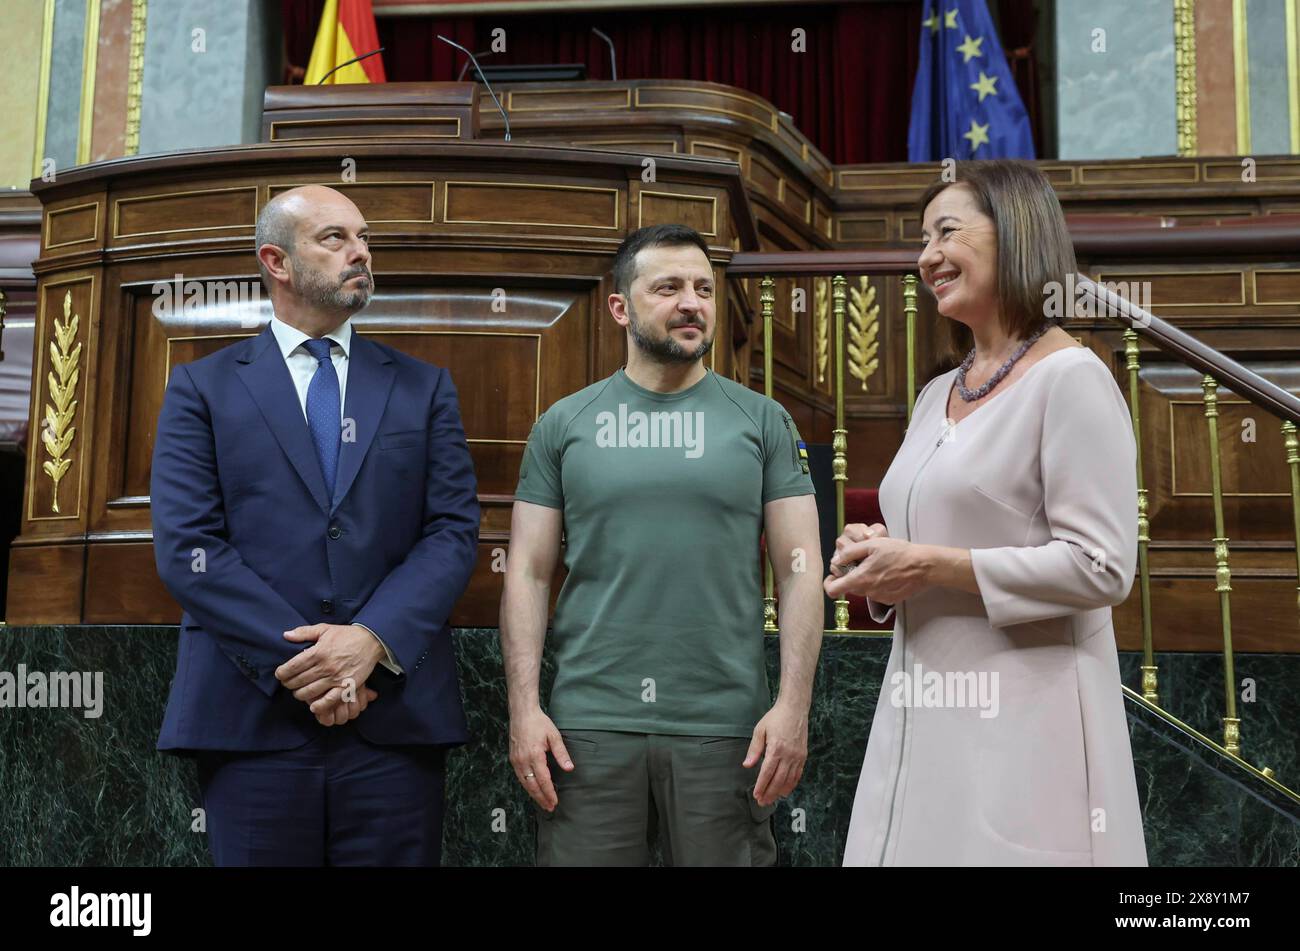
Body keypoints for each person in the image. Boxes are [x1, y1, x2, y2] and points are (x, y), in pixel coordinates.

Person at [826, 160, 1147, 866]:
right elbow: (928, 543)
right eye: (920, 240)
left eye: (947, 232)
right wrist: (879, 556)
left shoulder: (1074, 379)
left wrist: (932, 564)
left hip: (1027, 716)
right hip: (919, 706)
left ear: (1016, 234)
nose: (927, 257)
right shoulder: (935, 391)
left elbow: (1103, 567)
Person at [151, 185, 480, 866]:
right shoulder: (202, 389)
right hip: (253, 721)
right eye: (335, 238)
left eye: (364, 239)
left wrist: (369, 644)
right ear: (276, 260)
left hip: (393, 722)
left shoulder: (423, 387)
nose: (360, 252)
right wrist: (314, 667)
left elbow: (451, 533)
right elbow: (190, 550)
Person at [501, 224, 823, 866]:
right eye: (669, 287)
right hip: (586, 726)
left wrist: (792, 708)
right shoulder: (564, 424)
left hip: (726, 726)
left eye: (704, 288)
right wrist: (523, 710)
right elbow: (529, 574)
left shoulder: (763, 420)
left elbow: (801, 570)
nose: (692, 303)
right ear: (621, 306)